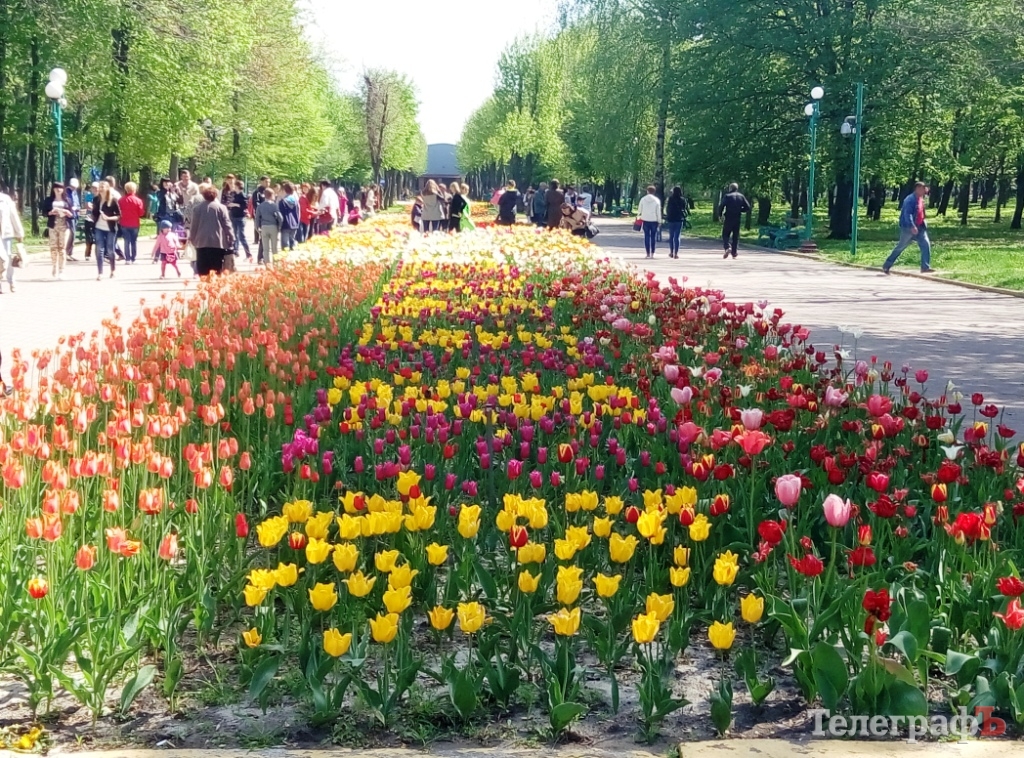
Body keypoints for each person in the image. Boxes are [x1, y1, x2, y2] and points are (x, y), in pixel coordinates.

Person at [883, 182, 935, 274]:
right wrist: (912, 226)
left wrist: (923, 222)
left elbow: (921, 212)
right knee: (901, 246)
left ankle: (925, 267)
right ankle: (887, 265)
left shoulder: (921, 199)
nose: (925, 190)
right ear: (917, 188)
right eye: (923, 188)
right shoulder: (910, 199)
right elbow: (908, 214)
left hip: (920, 227)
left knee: (925, 245)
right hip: (908, 228)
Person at [189, 183, 234, 276]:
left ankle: (204, 283)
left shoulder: (197, 209)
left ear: (203, 196)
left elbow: (194, 226)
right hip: (217, 242)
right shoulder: (221, 208)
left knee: (203, 268)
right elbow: (227, 224)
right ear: (215, 195)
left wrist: (192, 239)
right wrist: (231, 237)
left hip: (201, 242)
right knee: (216, 267)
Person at [40, 182, 73, 279]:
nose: (58, 190)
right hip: (53, 226)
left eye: (60, 188)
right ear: (53, 189)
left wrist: (67, 212)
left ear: (63, 189)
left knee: (62, 248)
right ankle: (54, 266)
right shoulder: (49, 200)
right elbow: (44, 212)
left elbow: (73, 215)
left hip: (64, 226)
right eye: (56, 188)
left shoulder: (67, 200)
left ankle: (62, 270)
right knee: (53, 247)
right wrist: (51, 212)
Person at [0, 178, 25, 294]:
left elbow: (14, 216)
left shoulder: (5, 199)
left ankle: (11, 280)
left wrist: (19, 233)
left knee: (8, 259)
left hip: (5, 234)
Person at [91, 181, 120, 279]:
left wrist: (108, 218)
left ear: (107, 188)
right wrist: (91, 215)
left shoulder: (113, 200)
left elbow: (119, 215)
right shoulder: (96, 199)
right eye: (99, 187)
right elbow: (94, 213)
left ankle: (113, 270)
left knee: (110, 250)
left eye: (102, 187)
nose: (100, 189)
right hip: (98, 227)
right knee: (99, 250)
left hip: (110, 228)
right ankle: (100, 273)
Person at [719, 182, 751, 259]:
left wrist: (720, 215)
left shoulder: (727, 196)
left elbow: (721, 206)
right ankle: (734, 253)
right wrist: (740, 210)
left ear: (730, 188)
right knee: (735, 236)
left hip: (729, 217)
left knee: (725, 234)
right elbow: (748, 207)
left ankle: (727, 247)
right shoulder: (741, 196)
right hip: (737, 217)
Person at [118, 182, 145, 264]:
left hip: (124, 223)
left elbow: (118, 211)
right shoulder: (138, 200)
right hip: (135, 223)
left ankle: (127, 259)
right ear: (135, 189)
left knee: (126, 241)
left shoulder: (121, 200)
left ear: (126, 189)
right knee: (134, 241)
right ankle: (133, 258)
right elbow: (141, 213)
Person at [255, 187, 282, 269]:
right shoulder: (274, 206)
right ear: (272, 195)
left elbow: (257, 218)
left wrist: (257, 228)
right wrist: (279, 227)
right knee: (274, 248)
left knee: (266, 248)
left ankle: (267, 265)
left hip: (264, 227)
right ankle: (276, 265)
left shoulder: (260, 206)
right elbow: (280, 218)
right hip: (273, 227)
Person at [226, 179, 251, 260]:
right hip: (234, 216)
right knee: (235, 235)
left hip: (240, 217)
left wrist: (235, 204)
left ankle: (248, 254)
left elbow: (245, 206)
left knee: (241, 236)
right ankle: (235, 251)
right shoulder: (235, 194)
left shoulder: (242, 195)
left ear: (237, 186)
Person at [636, 185, 662, 258]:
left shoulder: (643, 199)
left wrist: (639, 217)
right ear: (654, 192)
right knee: (653, 236)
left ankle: (647, 253)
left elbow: (639, 210)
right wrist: (659, 221)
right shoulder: (657, 200)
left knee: (647, 236)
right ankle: (653, 253)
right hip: (654, 220)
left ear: (647, 191)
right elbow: (658, 212)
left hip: (645, 220)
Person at [665, 186, 687, 259]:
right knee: (677, 236)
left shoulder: (670, 199)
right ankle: (676, 253)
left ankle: (671, 252)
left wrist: (667, 216)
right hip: (679, 219)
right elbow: (684, 208)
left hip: (671, 219)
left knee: (671, 236)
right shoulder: (682, 200)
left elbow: (668, 208)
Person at [279, 181, 300, 251]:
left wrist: (279, 225)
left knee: (285, 245)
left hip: (285, 224)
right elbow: (298, 213)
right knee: (292, 242)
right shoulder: (296, 201)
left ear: (285, 190)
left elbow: (280, 215)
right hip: (295, 224)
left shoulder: (282, 202)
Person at [82, 181, 98, 260]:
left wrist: (93, 207)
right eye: (93, 188)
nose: (94, 189)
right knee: (89, 237)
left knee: (98, 237)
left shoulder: (100, 196)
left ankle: (99, 254)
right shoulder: (89, 195)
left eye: (96, 188)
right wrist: (94, 207)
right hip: (89, 218)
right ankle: (87, 254)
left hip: (97, 219)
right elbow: (87, 205)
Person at [66, 177, 81, 260]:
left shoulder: (75, 193)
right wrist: (70, 208)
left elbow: (78, 204)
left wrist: (77, 208)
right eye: (73, 187)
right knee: (71, 234)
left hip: (75, 216)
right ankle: (67, 252)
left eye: (75, 187)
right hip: (69, 216)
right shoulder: (66, 192)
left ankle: (69, 253)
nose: (74, 188)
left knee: (73, 235)